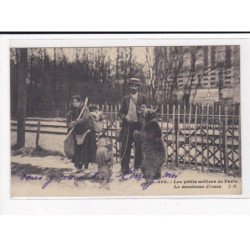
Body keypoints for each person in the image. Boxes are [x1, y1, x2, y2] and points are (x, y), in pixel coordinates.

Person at [118, 78, 149, 174]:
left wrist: (144, 110)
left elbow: (148, 112)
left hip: (139, 126)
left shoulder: (143, 98)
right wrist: (125, 117)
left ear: (138, 87)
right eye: (132, 85)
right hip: (127, 126)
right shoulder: (125, 98)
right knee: (125, 147)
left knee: (139, 147)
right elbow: (120, 113)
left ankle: (137, 167)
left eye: (135, 86)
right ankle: (124, 168)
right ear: (129, 86)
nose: (134, 87)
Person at [66, 95, 97, 172]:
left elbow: (85, 118)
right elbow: (68, 123)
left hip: (86, 132)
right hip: (77, 133)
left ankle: (86, 166)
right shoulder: (71, 111)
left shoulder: (84, 109)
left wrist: (76, 122)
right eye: (74, 102)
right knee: (77, 150)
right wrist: (70, 124)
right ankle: (78, 166)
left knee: (85, 150)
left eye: (77, 102)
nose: (75, 103)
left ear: (80, 102)